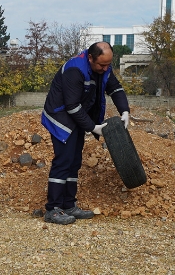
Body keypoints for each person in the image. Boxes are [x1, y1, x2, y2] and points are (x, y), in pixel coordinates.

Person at [40, 42, 130, 224]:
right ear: (90, 58)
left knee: (74, 162)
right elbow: (71, 105)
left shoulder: (103, 68)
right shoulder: (75, 69)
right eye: (102, 65)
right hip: (61, 116)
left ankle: (69, 205)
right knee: (64, 160)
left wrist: (125, 111)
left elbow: (115, 88)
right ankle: (53, 209)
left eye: (108, 65)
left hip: (77, 117)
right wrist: (92, 127)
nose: (106, 68)